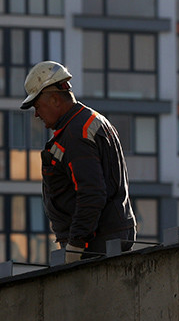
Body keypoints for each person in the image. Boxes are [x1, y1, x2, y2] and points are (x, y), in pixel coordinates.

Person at [20, 61, 137, 262]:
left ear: (55, 99)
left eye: (38, 106)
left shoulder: (75, 134)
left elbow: (91, 193)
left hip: (96, 242)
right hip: (109, 235)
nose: (37, 114)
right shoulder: (91, 121)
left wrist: (76, 244)